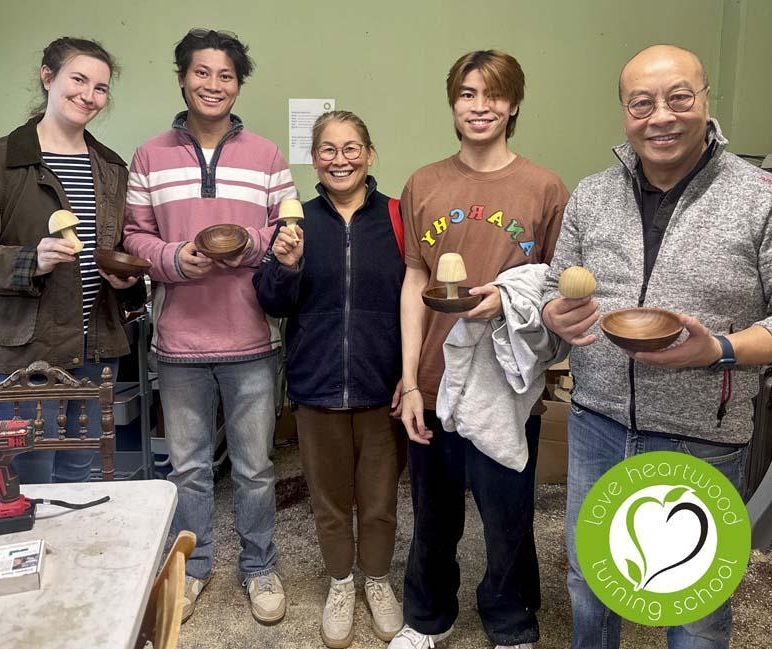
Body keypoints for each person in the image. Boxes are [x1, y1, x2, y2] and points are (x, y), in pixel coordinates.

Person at [541, 44, 772, 649]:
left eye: (679, 98)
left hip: (706, 433)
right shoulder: (591, 194)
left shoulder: (759, 197)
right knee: (590, 580)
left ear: (704, 101)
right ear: (624, 111)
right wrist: (553, 313)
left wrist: (718, 349)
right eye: (641, 102)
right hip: (597, 422)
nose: (660, 116)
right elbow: (551, 283)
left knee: (693, 604)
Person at [389, 50, 569, 649]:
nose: (480, 106)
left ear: (514, 103)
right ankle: (427, 618)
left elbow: (553, 282)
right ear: (453, 102)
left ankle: (510, 620)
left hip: (508, 385)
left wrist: (513, 304)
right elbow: (415, 281)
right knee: (433, 517)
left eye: (493, 94)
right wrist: (411, 379)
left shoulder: (543, 187)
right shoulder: (424, 182)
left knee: (508, 518)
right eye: (468, 93)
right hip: (437, 382)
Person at [123, 28, 296, 625]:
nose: (213, 85)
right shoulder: (149, 156)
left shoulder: (268, 155)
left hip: (250, 339)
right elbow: (134, 236)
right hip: (179, 341)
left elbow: (288, 230)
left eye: (225, 75)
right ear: (182, 77)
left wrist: (250, 243)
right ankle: (193, 570)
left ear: (238, 84)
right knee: (189, 469)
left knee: (255, 469)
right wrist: (173, 259)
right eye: (202, 73)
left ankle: (260, 567)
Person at [254, 110, 407, 648]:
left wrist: (408, 377)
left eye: (351, 148)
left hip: (381, 386)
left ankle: (378, 580)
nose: (339, 159)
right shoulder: (296, 223)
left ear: (368, 153)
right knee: (329, 497)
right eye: (327, 149)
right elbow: (272, 302)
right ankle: (341, 583)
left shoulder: (396, 217)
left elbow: (413, 304)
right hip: (316, 384)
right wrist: (285, 265)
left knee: (381, 497)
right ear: (314, 157)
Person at [0, 37, 143, 483]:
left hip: (92, 352)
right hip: (21, 360)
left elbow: (116, 247)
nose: (89, 95)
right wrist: (31, 260)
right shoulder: (2, 160)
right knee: (22, 481)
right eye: (78, 79)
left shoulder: (110, 168)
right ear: (48, 77)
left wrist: (126, 281)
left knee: (79, 482)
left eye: (101, 88)